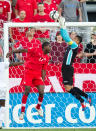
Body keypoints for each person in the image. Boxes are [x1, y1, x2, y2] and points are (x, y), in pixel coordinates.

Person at [6, 41, 51, 119]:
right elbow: (24, 50)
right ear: (44, 47)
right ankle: (22, 112)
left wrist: (43, 80)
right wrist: (12, 51)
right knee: (27, 90)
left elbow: (44, 69)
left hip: (37, 75)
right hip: (28, 72)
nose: (50, 48)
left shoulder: (47, 57)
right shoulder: (36, 50)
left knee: (41, 91)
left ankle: (38, 107)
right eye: (49, 46)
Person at [59, 16, 92, 111]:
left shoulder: (74, 45)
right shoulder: (72, 45)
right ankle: (84, 99)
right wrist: (62, 26)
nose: (72, 38)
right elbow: (65, 37)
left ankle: (84, 98)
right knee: (70, 88)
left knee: (68, 88)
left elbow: (65, 37)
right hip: (67, 67)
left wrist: (62, 26)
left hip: (67, 67)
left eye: (74, 38)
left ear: (77, 41)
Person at [0, 61, 24, 129]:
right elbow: (12, 64)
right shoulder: (2, 64)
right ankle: (0, 122)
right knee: (2, 104)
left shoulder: (2, 64)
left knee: (2, 105)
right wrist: (21, 62)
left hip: (2, 87)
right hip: (2, 87)